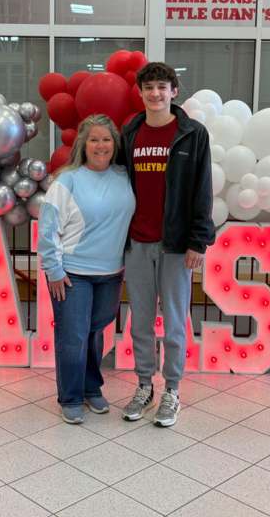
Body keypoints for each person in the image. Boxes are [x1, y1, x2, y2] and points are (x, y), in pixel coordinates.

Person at [118, 62, 214, 427]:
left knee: (175, 322)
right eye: (149, 88)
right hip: (137, 243)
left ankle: (172, 389)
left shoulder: (192, 134)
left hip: (176, 246)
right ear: (140, 93)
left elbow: (201, 190)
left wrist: (198, 242)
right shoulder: (130, 132)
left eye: (162, 87)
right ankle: (144, 385)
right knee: (140, 322)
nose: (155, 94)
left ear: (175, 91)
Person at [38, 114, 135, 424]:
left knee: (94, 334)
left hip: (110, 273)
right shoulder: (68, 179)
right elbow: (47, 228)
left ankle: (92, 387)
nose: (100, 145)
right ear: (83, 143)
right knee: (73, 337)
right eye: (94, 139)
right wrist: (53, 269)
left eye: (106, 139)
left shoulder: (125, 176)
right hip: (72, 273)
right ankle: (70, 396)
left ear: (114, 143)